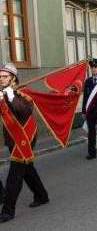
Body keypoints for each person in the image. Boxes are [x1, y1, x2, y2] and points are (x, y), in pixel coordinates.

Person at [0, 63, 49, 223]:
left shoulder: (23, 93)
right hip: (11, 137)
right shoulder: (2, 93)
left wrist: (11, 96)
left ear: (13, 78)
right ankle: (41, 195)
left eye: (5, 76)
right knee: (27, 168)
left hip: (25, 137)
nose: (1, 79)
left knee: (14, 175)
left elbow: (25, 111)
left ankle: (7, 211)